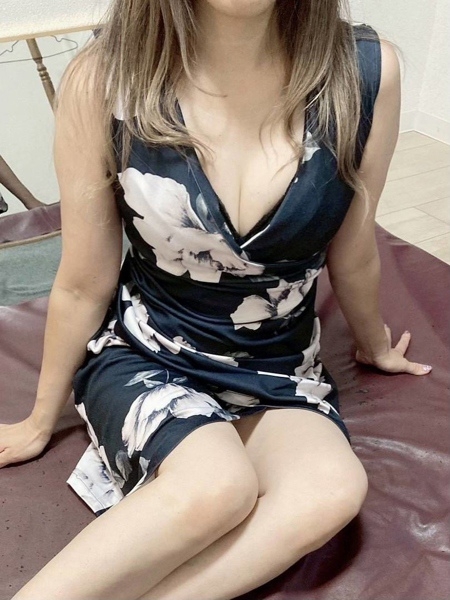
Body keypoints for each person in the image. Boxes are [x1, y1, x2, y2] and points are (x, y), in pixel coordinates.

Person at [0, 1, 432, 599]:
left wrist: (374, 344)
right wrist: (39, 420)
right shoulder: (104, 80)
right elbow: (81, 280)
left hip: (279, 367)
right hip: (149, 353)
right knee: (216, 486)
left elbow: (354, 248)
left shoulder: (363, 72)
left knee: (331, 490)